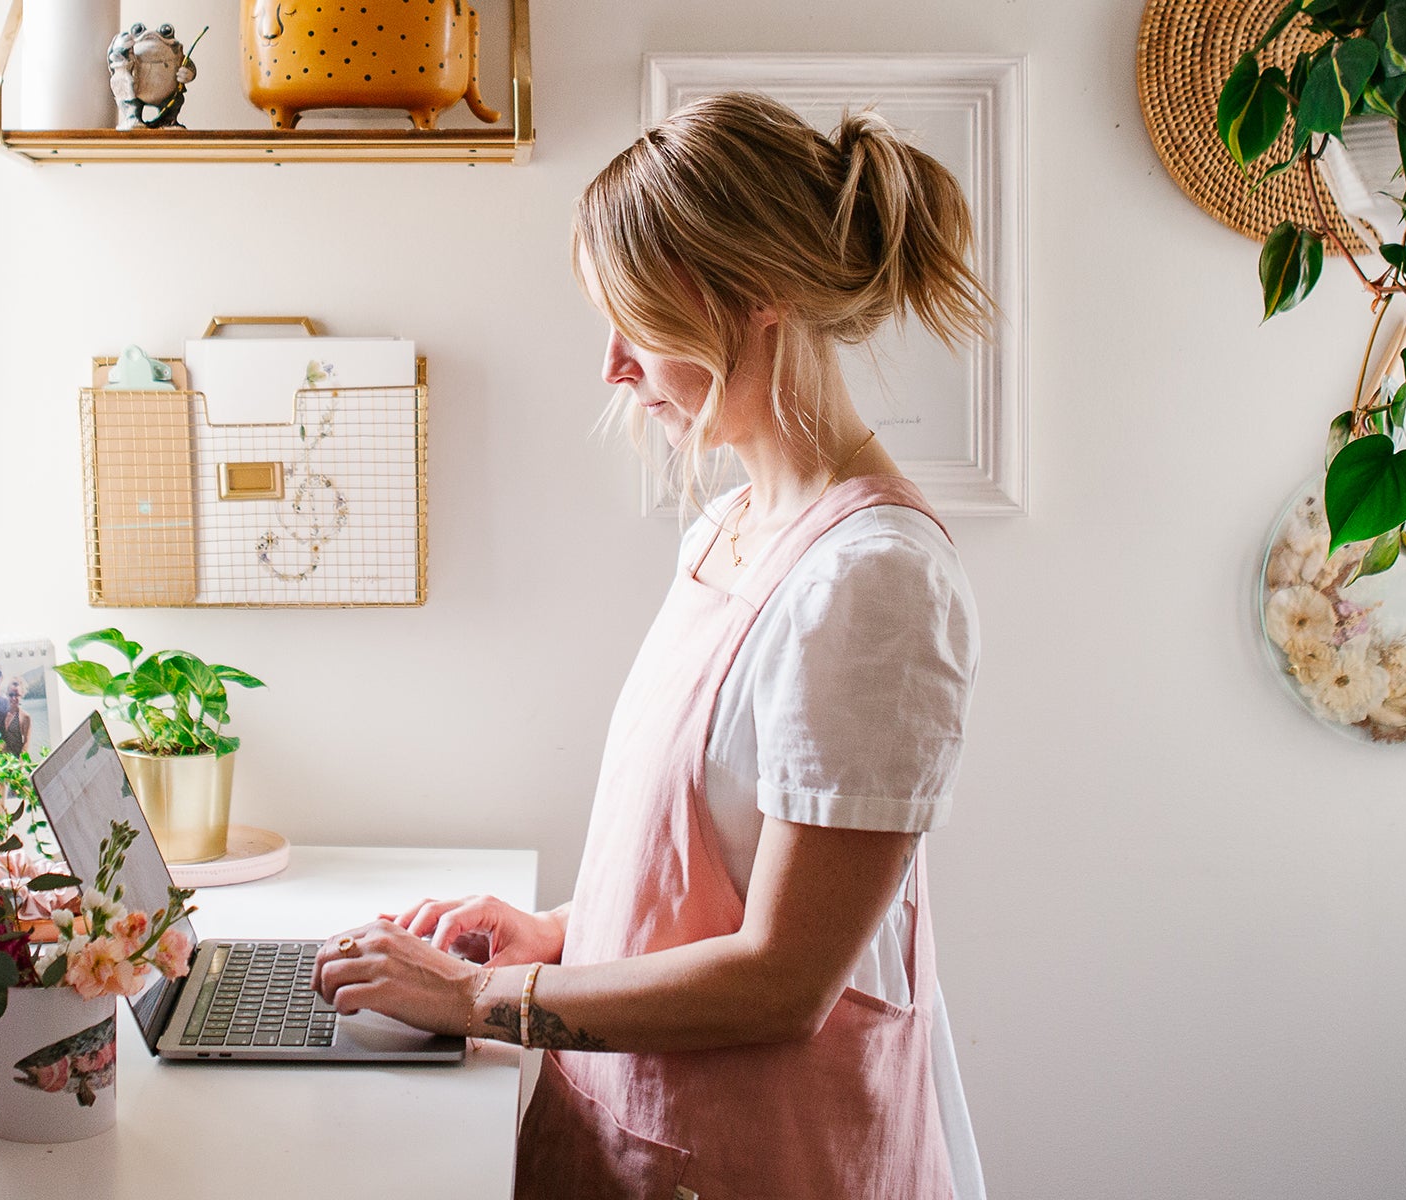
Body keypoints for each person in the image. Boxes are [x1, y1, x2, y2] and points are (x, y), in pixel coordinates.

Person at [311, 92, 988, 1198]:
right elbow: (705, 874)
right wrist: (555, 932)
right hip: (638, 1133)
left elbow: (784, 979)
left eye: (638, 321)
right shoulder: (730, 530)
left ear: (753, 297)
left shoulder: (876, 582)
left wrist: (475, 1000)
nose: (615, 367)